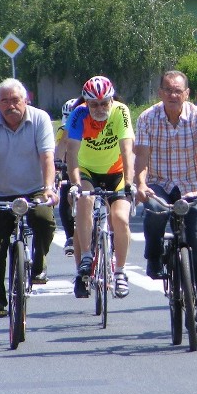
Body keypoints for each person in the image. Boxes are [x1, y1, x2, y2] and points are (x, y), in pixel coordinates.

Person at [134, 70, 197, 332]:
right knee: (152, 209)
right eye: (168, 90)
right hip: (160, 183)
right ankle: (153, 256)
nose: (173, 95)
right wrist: (140, 184)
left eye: (178, 91)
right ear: (160, 92)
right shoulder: (148, 118)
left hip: (193, 186)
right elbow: (141, 159)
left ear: (186, 94)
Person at [0, 78, 58, 318]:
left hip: (34, 188)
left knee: (44, 220)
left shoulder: (40, 118)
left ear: (25, 100)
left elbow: (47, 157)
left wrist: (49, 188)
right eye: (4, 101)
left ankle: (38, 264)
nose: (10, 105)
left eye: (15, 100)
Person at [66, 77, 135, 299]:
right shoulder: (78, 114)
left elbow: (127, 150)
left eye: (105, 102)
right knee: (84, 201)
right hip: (88, 171)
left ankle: (121, 272)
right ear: (85, 102)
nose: (100, 108)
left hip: (116, 171)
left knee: (121, 219)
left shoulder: (121, 111)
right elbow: (72, 155)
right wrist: (76, 185)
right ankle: (86, 258)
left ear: (111, 99)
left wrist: (130, 183)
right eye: (93, 104)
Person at [54, 98, 79, 257]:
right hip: (70, 167)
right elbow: (59, 151)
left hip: (89, 166)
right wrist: (57, 171)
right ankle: (70, 236)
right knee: (65, 195)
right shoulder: (63, 130)